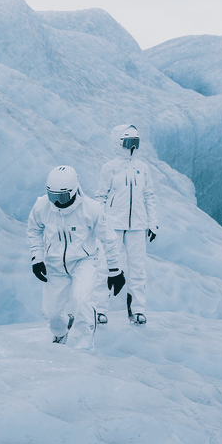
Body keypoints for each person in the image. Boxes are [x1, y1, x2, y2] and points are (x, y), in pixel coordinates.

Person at [27, 165, 126, 348]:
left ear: (73, 192)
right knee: (51, 313)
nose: (57, 202)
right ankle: (61, 330)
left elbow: (109, 239)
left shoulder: (91, 209)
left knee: (82, 302)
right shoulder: (42, 206)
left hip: (84, 261)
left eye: (62, 197)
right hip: (54, 264)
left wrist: (115, 270)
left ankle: (84, 347)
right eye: (53, 196)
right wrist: (37, 258)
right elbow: (34, 230)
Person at [94, 125, 158, 326]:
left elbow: (149, 196)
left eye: (136, 142)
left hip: (138, 225)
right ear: (118, 143)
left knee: (138, 269)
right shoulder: (110, 168)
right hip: (113, 224)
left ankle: (137, 310)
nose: (132, 147)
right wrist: (100, 223)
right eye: (128, 142)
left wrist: (152, 222)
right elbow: (101, 196)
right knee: (106, 266)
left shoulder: (143, 168)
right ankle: (99, 309)